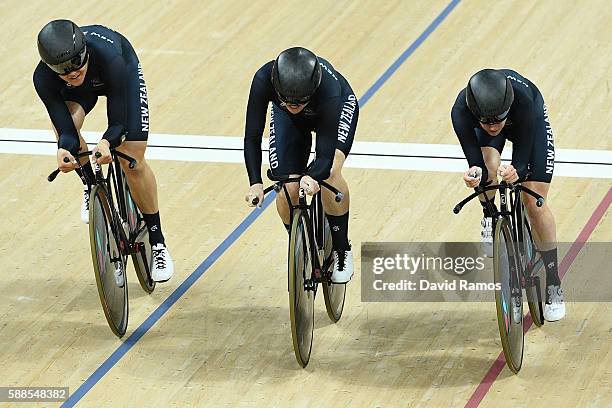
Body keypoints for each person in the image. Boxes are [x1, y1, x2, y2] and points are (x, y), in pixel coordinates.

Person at [34, 19, 173, 282]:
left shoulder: (110, 58)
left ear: (85, 51)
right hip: (80, 93)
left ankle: (157, 242)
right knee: (67, 132)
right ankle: (89, 184)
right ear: (49, 67)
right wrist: (64, 149)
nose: (72, 72)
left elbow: (118, 122)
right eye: (62, 69)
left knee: (131, 157)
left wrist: (107, 142)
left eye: (76, 63)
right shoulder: (42, 78)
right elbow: (65, 129)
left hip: (119, 76)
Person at [451, 68, 565, 321]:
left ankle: (554, 280)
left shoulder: (523, 101)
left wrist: (518, 171)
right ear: (474, 113)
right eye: (486, 122)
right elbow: (475, 162)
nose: (493, 127)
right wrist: (474, 175)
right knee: (486, 168)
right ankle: (489, 217)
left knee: (534, 201)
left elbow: (523, 159)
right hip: (496, 123)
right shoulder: (461, 110)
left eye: (497, 121)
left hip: (528, 123)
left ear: (506, 109)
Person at [243, 47, 359, 283]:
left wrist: (314, 175)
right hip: (289, 120)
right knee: (287, 189)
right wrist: (255, 182)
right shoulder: (263, 79)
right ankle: (299, 243)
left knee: (330, 174)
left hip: (332, 110)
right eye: (287, 101)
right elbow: (252, 137)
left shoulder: (329, 90)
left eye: (299, 102)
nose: (293, 104)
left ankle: (341, 250)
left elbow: (325, 155)